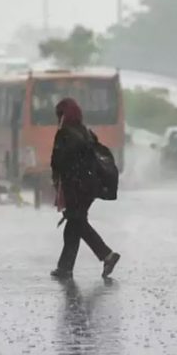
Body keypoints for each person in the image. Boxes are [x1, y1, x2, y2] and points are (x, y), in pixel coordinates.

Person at [50, 98, 121, 279]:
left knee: (77, 223)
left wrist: (56, 181)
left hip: (74, 187)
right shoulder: (86, 132)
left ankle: (107, 255)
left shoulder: (64, 134)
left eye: (59, 115)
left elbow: (58, 162)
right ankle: (65, 268)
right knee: (74, 224)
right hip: (90, 187)